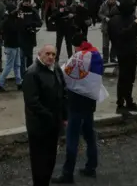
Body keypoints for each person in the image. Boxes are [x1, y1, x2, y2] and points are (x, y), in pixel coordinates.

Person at [51, 33, 104, 183]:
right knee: (89, 135)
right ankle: (91, 167)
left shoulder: (79, 56)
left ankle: (67, 173)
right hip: (90, 102)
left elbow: (65, 73)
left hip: (75, 104)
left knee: (72, 138)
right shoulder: (96, 54)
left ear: (77, 46)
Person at [23, 45, 67, 186]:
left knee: (50, 158)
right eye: (47, 54)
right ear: (40, 54)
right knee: (39, 161)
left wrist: (64, 115)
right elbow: (32, 102)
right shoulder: (32, 73)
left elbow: (63, 91)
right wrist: (50, 116)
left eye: (53, 54)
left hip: (53, 124)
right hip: (39, 126)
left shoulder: (56, 69)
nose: (51, 57)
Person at [108, 0, 137, 116]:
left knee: (131, 78)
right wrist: (134, 25)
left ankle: (129, 101)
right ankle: (120, 104)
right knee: (123, 78)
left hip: (132, 51)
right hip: (122, 52)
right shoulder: (114, 20)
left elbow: (135, 32)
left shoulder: (130, 17)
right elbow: (121, 35)